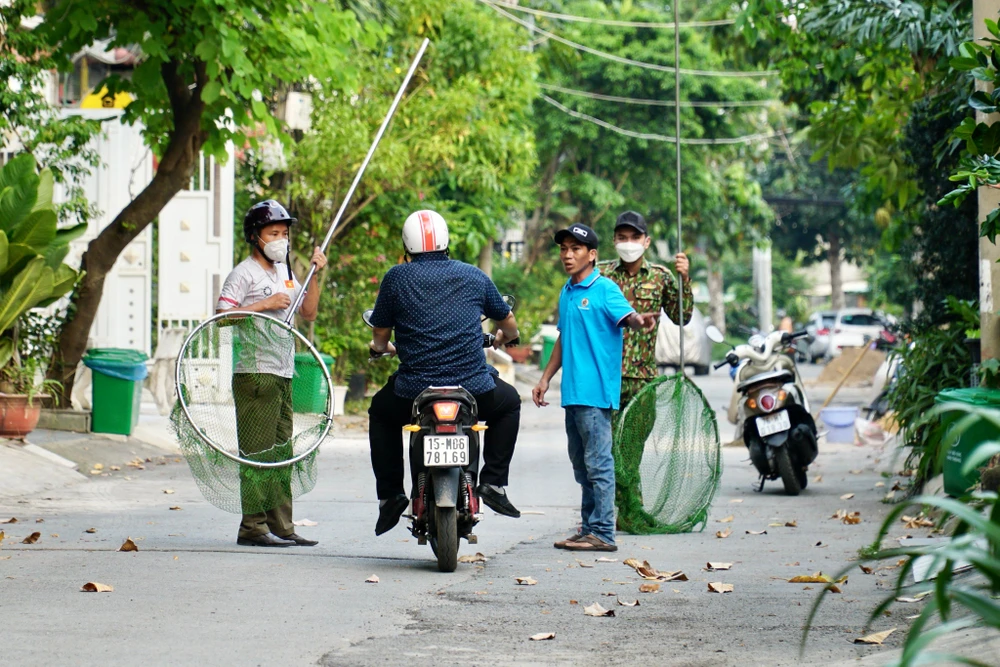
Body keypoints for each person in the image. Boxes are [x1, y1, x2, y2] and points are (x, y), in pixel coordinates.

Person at [367, 209, 523, 536]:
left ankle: (391, 495)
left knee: (380, 413)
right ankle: (493, 483)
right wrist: (503, 338)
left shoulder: (396, 278)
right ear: (446, 241)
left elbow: (380, 337)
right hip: (473, 387)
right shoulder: (473, 275)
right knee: (508, 403)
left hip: (415, 390)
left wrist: (381, 348)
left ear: (407, 245)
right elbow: (508, 323)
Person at [531, 224, 657, 552]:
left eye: (575, 249)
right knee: (581, 464)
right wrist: (545, 379)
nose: (568, 255)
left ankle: (603, 532)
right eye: (563, 249)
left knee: (599, 463)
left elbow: (628, 317)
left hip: (595, 393)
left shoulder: (605, 289)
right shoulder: (567, 290)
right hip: (572, 393)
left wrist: (639, 320)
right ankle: (588, 527)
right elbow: (564, 336)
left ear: (592, 254)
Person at [216, 199, 327, 548]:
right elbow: (222, 316)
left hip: (283, 372)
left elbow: (307, 313)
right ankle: (252, 526)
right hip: (254, 373)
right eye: (273, 233)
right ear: (256, 237)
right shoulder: (243, 274)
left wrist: (315, 275)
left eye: (284, 233)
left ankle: (282, 524)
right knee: (257, 452)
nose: (281, 239)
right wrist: (263, 304)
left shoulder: (287, 272)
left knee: (282, 451)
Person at [599, 211, 691, 530]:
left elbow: (682, 317)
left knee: (630, 449)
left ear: (646, 241)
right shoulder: (600, 276)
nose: (628, 244)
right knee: (607, 449)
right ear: (614, 241)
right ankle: (625, 509)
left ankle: (626, 510)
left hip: (642, 380)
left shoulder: (663, 276)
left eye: (634, 237)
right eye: (622, 238)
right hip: (605, 377)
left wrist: (684, 280)